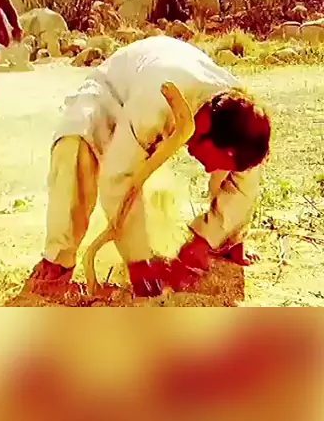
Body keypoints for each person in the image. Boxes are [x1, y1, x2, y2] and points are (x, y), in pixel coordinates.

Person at [27, 35, 271, 298]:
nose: (210, 170)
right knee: (74, 146)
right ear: (203, 128)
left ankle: (227, 241)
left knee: (231, 179)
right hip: (112, 90)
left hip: (169, 76)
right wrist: (138, 260)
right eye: (214, 161)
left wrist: (208, 239)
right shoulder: (154, 105)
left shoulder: (240, 113)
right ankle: (58, 259)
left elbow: (244, 185)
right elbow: (119, 176)